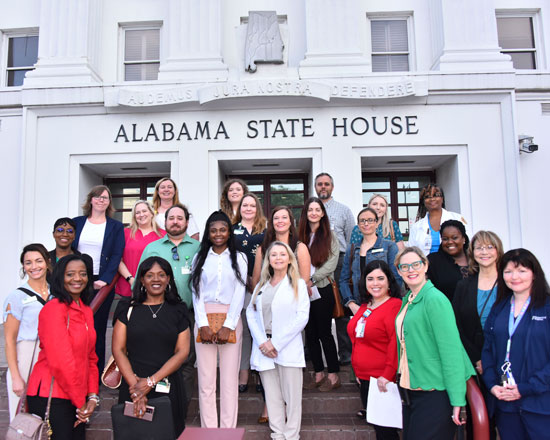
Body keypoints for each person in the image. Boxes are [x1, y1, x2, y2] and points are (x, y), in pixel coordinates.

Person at [394, 247, 475, 440]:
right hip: (411, 391)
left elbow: (451, 351)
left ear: (425, 265)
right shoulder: (409, 299)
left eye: (416, 264)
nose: (411, 270)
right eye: (404, 266)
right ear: (398, 271)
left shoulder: (435, 299)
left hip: (434, 393)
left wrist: (457, 400)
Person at [112, 256, 190, 437]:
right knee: (133, 434)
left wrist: (150, 382)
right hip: (132, 382)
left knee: (167, 433)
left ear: (169, 279)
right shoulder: (127, 308)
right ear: (141, 279)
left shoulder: (178, 309)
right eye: (150, 275)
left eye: (161, 275)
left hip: (167, 384)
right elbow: (118, 350)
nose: (156, 279)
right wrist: (137, 388)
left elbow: (182, 352)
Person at [27, 254, 99, 439]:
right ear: (60, 278)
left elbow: (91, 358)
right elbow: (61, 361)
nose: (77, 279)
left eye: (83, 274)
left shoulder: (86, 310)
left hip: (77, 396)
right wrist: (80, 402)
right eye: (70, 274)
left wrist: (92, 396)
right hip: (52, 395)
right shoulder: (54, 309)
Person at [481, 249, 550, 440]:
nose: (514, 277)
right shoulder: (499, 308)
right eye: (508, 271)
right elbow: (487, 351)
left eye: (521, 270)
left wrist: (526, 388)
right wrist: (492, 384)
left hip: (541, 405)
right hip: (506, 405)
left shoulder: (547, 307)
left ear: (534, 273)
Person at [139, 203, 200, 413]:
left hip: (187, 313)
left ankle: (179, 409)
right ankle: (158, 407)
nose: (175, 221)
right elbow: (139, 280)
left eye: (179, 218)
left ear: (186, 222)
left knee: (185, 362)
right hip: (156, 312)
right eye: (171, 218)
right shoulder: (152, 248)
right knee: (157, 359)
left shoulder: (197, 248)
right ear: (165, 222)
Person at [246, 241, 310, 440]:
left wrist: (276, 344)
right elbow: (250, 313)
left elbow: (302, 317)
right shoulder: (261, 285)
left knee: (292, 399)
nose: (278, 258)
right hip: (264, 348)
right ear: (268, 260)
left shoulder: (298, 284)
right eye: (273, 255)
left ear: (290, 258)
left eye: (282, 254)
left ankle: (291, 436)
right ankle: (278, 435)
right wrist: (263, 342)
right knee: (272, 397)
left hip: (286, 347)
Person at [191, 210, 247, 428]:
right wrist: (202, 324)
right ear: (207, 233)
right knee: (206, 381)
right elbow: (196, 292)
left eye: (223, 230)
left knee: (229, 380)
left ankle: (227, 430)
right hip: (203, 319)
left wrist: (228, 325)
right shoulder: (200, 257)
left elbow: (240, 292)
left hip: (231, 320)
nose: (218, 234)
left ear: (229, 232)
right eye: (213, 230)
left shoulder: (239, 257)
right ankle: (209, 429)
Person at [453, 230, 504, 440]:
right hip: (474, 360)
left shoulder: (510, 282)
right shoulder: (464, 285)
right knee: (479, 419)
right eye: (479, 247)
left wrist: (492, 360)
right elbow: (456, 325)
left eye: (489, 247)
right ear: (472, 252)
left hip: (505, 359)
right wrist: (476, 358)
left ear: (498, 250)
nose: (484, 252)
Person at [73, 185, 125, 374]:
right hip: (77, 282)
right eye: (98, 197)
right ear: (91, 200)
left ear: (109, 202)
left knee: (97, 329)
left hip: (101, 283)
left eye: (105, 198)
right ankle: (76, 368)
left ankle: (94, 372)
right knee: (76, 327)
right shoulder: (77, 223)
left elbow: (116, 254)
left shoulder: (115, 226)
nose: (101, 200)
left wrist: (105, 279)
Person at [347, 260, 401, 440]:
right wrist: (358, 370)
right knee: (379, 428)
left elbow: (396, 343)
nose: (375, 283)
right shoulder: (365, 307)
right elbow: (357, 338)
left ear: (389, 281)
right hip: (364, 377)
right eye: (370, 279)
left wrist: (387, 374)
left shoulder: (394, 306)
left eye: (380, 278)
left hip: (383, 379)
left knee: (386, 431)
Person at [3, 244, 51, 421]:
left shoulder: (56, 293)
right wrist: (16, 376)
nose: (34, 266)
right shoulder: (16, 297)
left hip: (50, 355)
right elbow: (9, 340)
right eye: (28, 262)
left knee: (45, 413)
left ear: (47, 262)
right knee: (21, 417)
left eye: (38, 261)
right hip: (26, 355)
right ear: (23, 266)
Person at [298, 197, 341, 391]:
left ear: (323, 213)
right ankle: (318, 372)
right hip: (303, 291)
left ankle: (333, 375)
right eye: (310, 210)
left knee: (325, 333)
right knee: (310, 333)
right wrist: (301, 282)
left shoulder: (330, 236)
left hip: (321, 289)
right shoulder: (300, 236)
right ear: (305, 213)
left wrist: (311, 281)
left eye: (317, 209)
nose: (314, 213)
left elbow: (331, 265)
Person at [315, 172, 355, 365]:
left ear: (332, 186)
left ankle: (346, 355)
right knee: (312, 307)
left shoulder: (344, 211)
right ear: (315, 187)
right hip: (315, 263)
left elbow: (350, 240)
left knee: (340, 309)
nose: (323, 187)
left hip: (338, 262)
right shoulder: (311, 209)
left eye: (327, 184)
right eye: (320, 184)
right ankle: (310, 353)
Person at [232, 193, 267, 394]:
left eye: (252, 205)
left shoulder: (266, 228)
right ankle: (244, 371)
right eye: (245, 205)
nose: (248, 208)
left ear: (257, 208)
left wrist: (259, 280)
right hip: (240, 286)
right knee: (244, 331)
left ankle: (261, 373)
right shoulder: (232, 229)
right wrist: (243, 279)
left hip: (263, 285)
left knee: (261, 330)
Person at [339, 207, 402, 315]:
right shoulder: (352, 248)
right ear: (358, 225)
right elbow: (343, 280)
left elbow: (396, 278)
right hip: (359, 306)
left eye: (370, 220)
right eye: (362, 221)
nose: (366, 223)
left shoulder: (389, 246)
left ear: (377, 223)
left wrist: (387, 301)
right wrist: (351, 304)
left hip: (384, 304)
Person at [251, 206, 311, 288]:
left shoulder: (300, 248)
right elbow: (256, 279)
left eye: (284, 217)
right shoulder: (262, 249)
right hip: (268, 296)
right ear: (272, 223)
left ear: (290, 222)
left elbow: (305, 279)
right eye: (276, 218)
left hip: (293, 295)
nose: (280, 221)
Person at [116, 200, 165, 298]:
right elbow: (117, 259)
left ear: (151, 213)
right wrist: (131, 280)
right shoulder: (125, 233)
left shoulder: (163, 235)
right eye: (137, 213)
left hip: (154, 287)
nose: (141, 215)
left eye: (144, 211)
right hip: (129, 286)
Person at [408, 183, 468, 256]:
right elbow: (411, 252)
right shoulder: (416, 227)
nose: (432, 199)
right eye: (427, 197)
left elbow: (469, 242)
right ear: (423, 202)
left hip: (454, 264)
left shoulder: (457, 218)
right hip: (427, 265)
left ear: (442, 199)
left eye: (436, 195)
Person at [427, 220, 470, 302]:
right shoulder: (433, 261)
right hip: (445, 311)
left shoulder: (475, 259)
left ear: (463, 239)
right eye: (445, 239)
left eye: (455, 238)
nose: (450, 242)